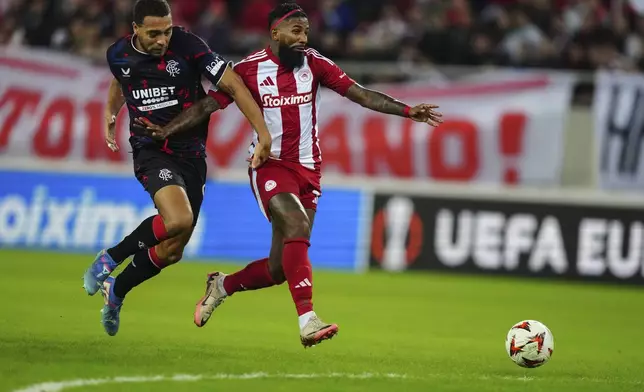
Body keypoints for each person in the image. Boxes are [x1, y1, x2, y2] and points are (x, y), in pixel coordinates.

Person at [137, 2, 442, 347]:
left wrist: (407, 110)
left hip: (308, 169)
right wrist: (167, 131)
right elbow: (209, 105)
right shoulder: (248, 70)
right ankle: (308, 320)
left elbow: (360, 94)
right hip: (270, 164)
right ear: (275, 33)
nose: (303, 38)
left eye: (307, 32)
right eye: (296, 31)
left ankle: (222, 286)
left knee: (280, 268)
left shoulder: (315, 64)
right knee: (296, 226)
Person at [82, 0, 273, 337]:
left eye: (167, 31)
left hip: (192, 155)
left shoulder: (189, 46)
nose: (162, 40)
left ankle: (117, 290)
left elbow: (234, 85)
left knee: (172, 251)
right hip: (151, 150)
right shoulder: (119, 54)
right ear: (136, 30)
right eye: (154, 33)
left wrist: (263, 133)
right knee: (179, 219)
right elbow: (120, 81)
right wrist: (110, 115)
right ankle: (109, 258)